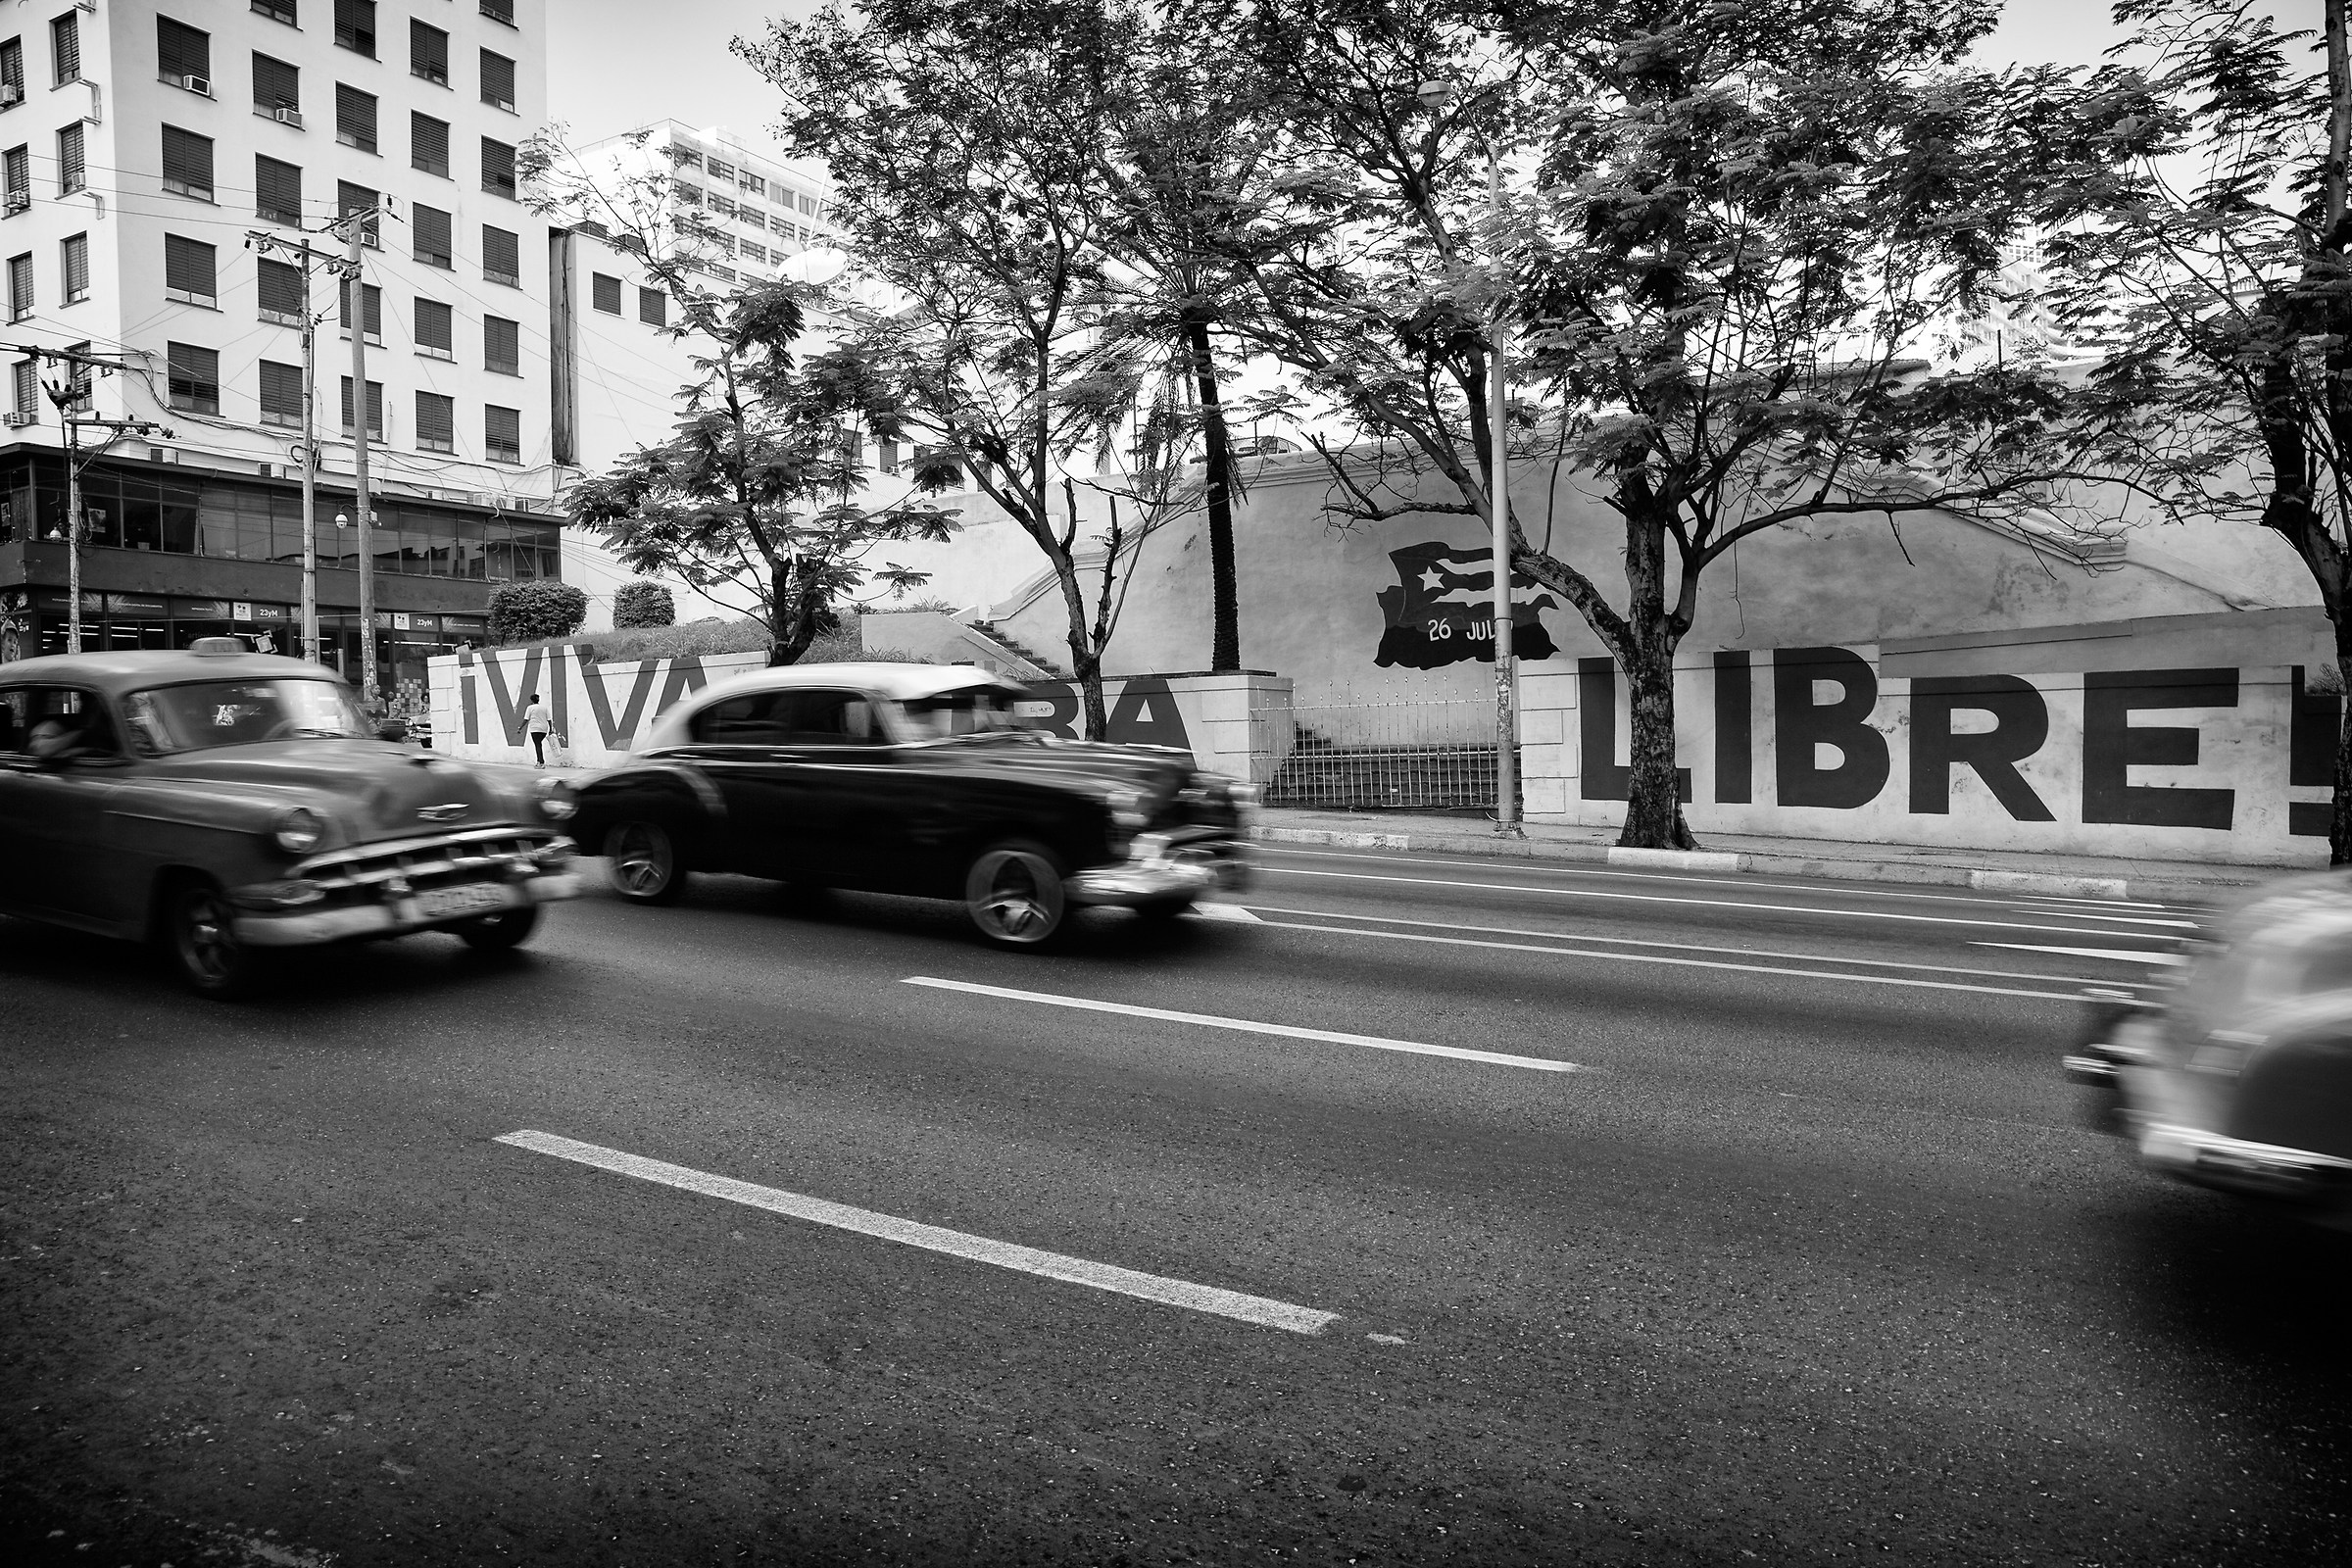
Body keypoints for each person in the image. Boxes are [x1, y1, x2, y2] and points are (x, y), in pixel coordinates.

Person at [521, 692, 554, 764]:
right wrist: (550, 729)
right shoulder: (544, 708)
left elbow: (526, 719)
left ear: (531, 700)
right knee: (539, 744)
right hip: (544, 729)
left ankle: (540, 762)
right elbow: (549, 720)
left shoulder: (530, 708)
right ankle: (540, 761)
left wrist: (520, 728)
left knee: (537, 745)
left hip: (535, 729)